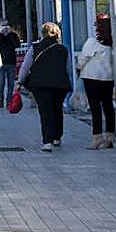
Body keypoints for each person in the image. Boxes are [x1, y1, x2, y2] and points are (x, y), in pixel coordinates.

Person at [18, 21, 72, 152]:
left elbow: (26, 66)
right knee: (57, 110)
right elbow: (68, 69)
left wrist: (20, 81)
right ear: (57, 34)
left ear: (43, 33)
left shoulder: (35, 47)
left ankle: (47, 141)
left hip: (40, 85)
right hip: (60, 85)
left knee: (45, 111)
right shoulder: (63, 49)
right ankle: (57, 137)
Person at [77, 13, 116, 149]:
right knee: (108, 106)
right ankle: (110, 136)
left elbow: (82, 59)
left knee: (95, 108)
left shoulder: (92, 42)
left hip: (91, 78)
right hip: (108, 78)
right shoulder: (113, 44)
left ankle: (97, 137)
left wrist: (79, 68)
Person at [0, 21, 21, 107]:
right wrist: (1, 34)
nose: (5, 27)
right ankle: (0, 100)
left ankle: (9, 101)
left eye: (6, 25)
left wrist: (10, 34)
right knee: (1, 83)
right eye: (3, 25)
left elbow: (17, 45)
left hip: (11, 63)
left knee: (11, 84)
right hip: (0, 63)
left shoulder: (13, 35)